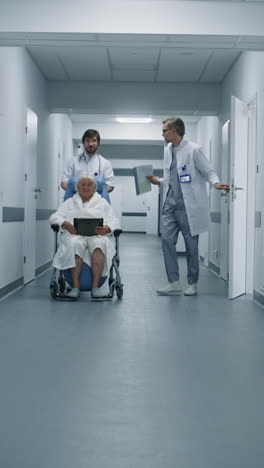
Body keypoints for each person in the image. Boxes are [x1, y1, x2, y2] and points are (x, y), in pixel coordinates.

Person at [147, 117, 229, 296]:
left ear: (174, 131)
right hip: (170, 205)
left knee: (191, 247)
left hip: (188, 207)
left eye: (164, 131)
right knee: (167, 241)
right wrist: (157, 181)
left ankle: (192, 283)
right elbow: (170, 178)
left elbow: (209, 171)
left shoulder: (194, 150)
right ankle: (174, 282)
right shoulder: (168, 150)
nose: (162, 134)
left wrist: (215, 183)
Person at [50, 172, 120, 299]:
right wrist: (64, 223)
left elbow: (114, 221)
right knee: (74, 244)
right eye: (83, 184)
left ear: (94, 187)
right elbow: (54, 217)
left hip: (97, 236)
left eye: (89, 185)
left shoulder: (102, 202)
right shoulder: (70, 202)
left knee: (100, 245)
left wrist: (107, 228)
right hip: (75, 235)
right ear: (78, 187)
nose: (86, 187)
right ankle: (75, 287)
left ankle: (95, 288)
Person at [61, 129, 115, 196]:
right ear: (83, 142)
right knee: (74, 180)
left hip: (97, 200)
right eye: (88, 141)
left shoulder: (105, 163)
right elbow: (64, 182)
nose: (91, 144)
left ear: (98, 142)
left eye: (94, 141)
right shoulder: (73, 161)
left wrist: (93, 194)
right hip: (75, 198)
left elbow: (110, 185)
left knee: (98, 181)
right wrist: (79, 192)